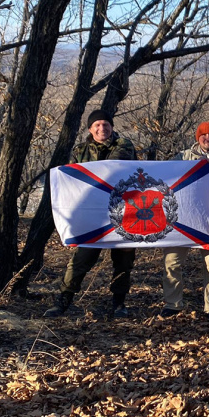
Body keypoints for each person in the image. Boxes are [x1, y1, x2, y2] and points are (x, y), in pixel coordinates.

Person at [45, 110, 137, 318]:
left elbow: (114, 167)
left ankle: (119, 303)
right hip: (92, 215)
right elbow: (72, 181)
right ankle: (64, 300)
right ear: (90, 129)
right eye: (97, 125)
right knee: (80, 260)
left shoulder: (124, 145)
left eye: (106, 124)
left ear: (112, 127)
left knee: (124, 261)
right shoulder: (80, 150)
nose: (102, 128)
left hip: (123, 213)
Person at [161, 122, 209, 319]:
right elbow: (161, 177)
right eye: (203, 135)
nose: (207, 138)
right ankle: (173, 304)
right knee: (171, 263)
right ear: (197, 137)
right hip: (181, 223)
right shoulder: (183, 158)